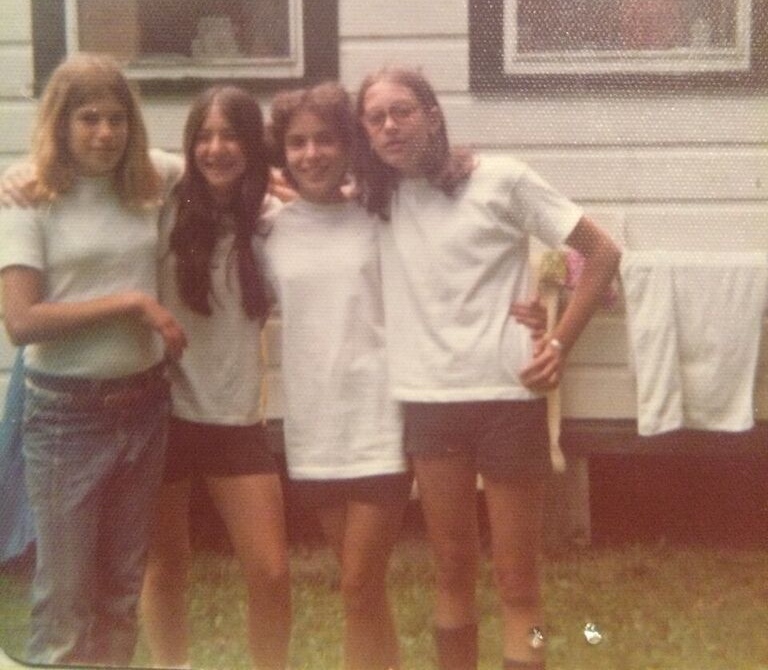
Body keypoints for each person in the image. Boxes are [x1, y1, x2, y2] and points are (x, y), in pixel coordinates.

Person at [356, 67, 621, 670]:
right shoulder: (376, 199)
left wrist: (558, 341)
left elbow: (602, 252)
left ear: (432, 113)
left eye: (403, 110)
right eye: (376, 118)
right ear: (365, 134)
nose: (391, 126)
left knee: (518, 578)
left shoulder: (502, 179)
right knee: (450, 567)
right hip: (428, 402)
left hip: (507, 398)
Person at [0, 53, 187, 666]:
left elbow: (230, 168)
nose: (105, 134)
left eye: (116, 120)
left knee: (120, 592)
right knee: (64, 598)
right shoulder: (28, 196)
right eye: (88, 120)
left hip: (143, 405)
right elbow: (23, 322)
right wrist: (132, 301)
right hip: (65, 418)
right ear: (61, 123)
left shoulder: (148, 179)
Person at [139, 86, 291, 670]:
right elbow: (86, 154)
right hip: (160, 409)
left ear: (254, 146)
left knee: (271, 571)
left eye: (231, 136)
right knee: (167, 562)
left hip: (234, 416)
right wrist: (24, 176)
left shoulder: (273, 217)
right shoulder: (164, 193)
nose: (217, 148)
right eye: (205, 135)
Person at [264, 82, 411, 670]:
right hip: (313, 427)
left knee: (356, 586)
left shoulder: (382, 217)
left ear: (350, 145)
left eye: (325, 139)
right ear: (282, 152)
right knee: (365, 594)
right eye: (297, 143)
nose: (311, 154)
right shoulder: (268, 230)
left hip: (378, 422)